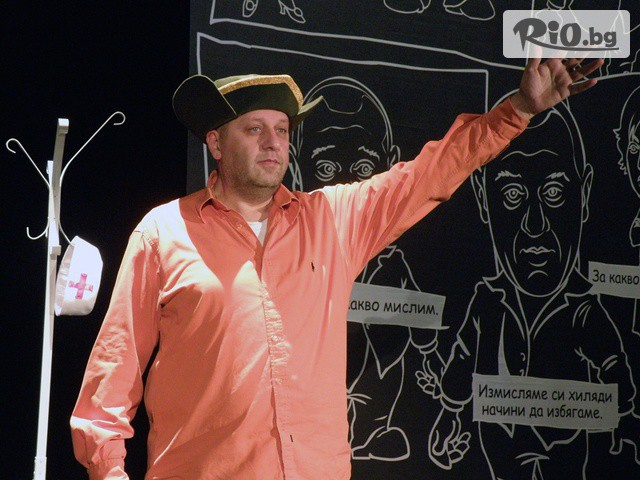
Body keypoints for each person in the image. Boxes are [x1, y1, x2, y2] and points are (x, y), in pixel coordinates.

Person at [70, 57, 602, 479]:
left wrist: (519, 109)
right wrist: (109, 471)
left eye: (282, 129)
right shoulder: (165, 232)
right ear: (215, 142)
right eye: (254, 129)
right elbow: (112, 374)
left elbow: (431, 172)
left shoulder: (331, 218)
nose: (273, 142)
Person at [428, 98, 640, 478]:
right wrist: (449, 415)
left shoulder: (582, 309)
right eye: (512, 195)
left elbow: (613, 365)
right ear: (483, 199)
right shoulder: (488, 303)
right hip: (500, 453)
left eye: (554, 193)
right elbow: (462, 359)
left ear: (584, 194)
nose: (535, 225)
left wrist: (621, 422)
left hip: (565, 451)